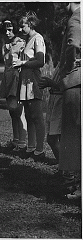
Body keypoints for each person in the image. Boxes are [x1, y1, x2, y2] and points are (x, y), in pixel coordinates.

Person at [13, 11, 46, 160]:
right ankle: (31, 147)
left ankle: (40, 150)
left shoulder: (37, 39)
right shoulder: (28, 39)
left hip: (32, 80)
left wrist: (23, 62)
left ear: (30, 24)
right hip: (25, 80)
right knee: (28, 115)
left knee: (37, 116)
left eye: (22, 26)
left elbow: (40, 60)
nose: (20, 29)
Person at [58, 2, 81, 199]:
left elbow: (73, 45)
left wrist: (66, 69)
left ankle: (80, 187)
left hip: (76, 81)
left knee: (75, 136)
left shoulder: (76, 17)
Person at [0, 19, 27, 151]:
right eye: (6, 30)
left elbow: (19, 60)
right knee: (12, 111)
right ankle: (16, 140)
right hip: (8, 77)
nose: (8, 32)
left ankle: (22, 142)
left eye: (10, 29)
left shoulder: (19, 42)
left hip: (17, 77)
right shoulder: (6, 44)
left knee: (18, 110)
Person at [39, 64, 62, 163]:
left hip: (62, 103)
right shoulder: (62, 62)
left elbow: (70, 85)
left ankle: (66, 169)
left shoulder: (75, 62)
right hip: (55, 101)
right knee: (55, 138)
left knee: (53, 138)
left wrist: (51, 83)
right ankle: (64, 167)